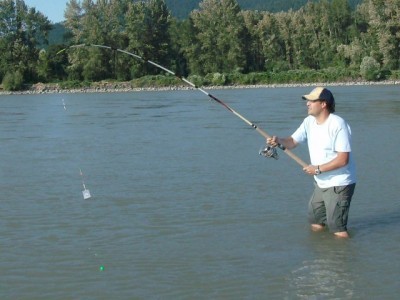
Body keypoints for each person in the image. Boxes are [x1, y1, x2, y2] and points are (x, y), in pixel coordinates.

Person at [267, 87, 356, 238]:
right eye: (307, 100)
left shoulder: (338, 124)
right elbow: (293, 142)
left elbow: (343, 160)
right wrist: (278, 140)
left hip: (339, 184)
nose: (307, 103)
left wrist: (318, 169)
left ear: (323, 104)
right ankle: (320, 254)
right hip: (320, 183)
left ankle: (342, 258)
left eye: (312, 100)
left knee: (338, 229)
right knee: (315, 221)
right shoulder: (309, 122)